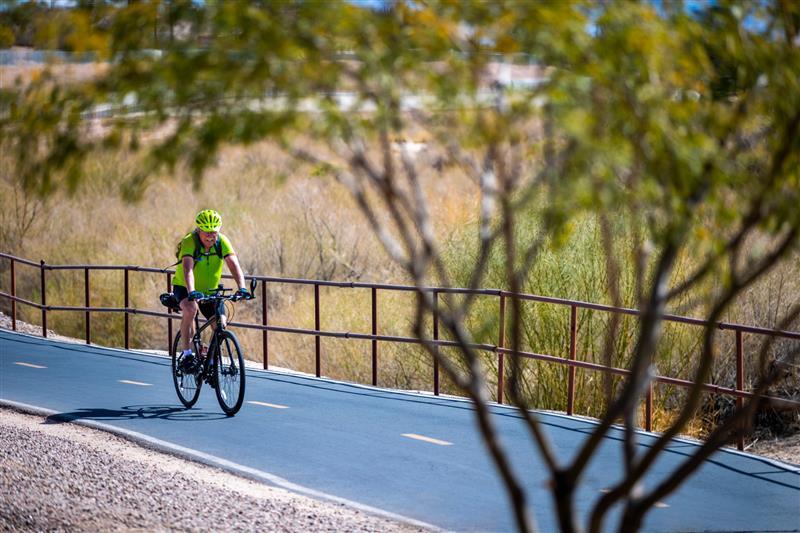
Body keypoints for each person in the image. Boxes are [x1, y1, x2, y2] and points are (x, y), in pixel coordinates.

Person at [172, 209, 249, 370]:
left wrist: (242, 288)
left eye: (214, 233)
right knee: (191, 309)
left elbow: (234, 265)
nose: (210, 236)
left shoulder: (222, 242)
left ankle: (212, 360)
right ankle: (187, 354)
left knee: (220, 324)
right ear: (199, 230)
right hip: (185, 287)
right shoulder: (189, 242)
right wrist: (192, 291)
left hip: (210, 290)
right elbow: (188, 269)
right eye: (206, 232)